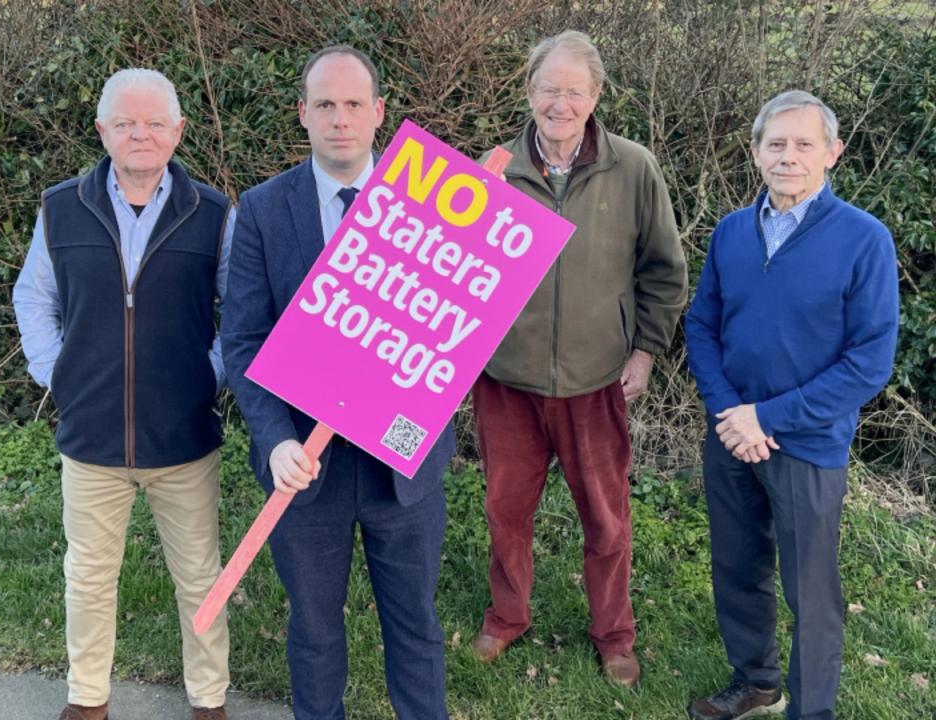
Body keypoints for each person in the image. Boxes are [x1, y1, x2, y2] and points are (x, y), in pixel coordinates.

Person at [221, 45, 454, 720]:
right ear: (303, 114)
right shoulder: (264, 210)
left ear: (379, 113)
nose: (340, 119)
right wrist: (271, 441)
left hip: (400, 469)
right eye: (325, 104)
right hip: (304, 465)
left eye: (354, 104)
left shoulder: (433, 206)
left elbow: (459, 331)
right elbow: (243, 338)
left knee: (414, 626)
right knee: (316, 633)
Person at [12, 68, 234, 720]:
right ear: (103, 129)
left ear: (178, 131)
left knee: (201, 578)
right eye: (126, 121)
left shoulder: (214, 213)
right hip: (92, 437)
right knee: (87, 576)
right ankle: (87, 700)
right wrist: (59, 373)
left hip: (184, 439)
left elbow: (241, 310)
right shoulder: (60, 208)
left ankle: (210, 699)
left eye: (155, 122)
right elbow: (34, 297)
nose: (140, 133)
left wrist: (210, 374)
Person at [468, 30, 688, 686]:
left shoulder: (634, 168)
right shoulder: (494, 167)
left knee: (607, 518)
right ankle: (507, 618)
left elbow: (664, 271)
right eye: (548, 88)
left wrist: (645, 351)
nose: (559, 103)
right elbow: (454, 268)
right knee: (506, 513)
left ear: (594, 96)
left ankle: (614, 634)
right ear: (528, 91)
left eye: (574, 90)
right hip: (507, 380)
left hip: (597, 383)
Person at [685, 90, 899, 720]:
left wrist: (767, 418)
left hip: (806, 444)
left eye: (805, 144)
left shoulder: (864, 239)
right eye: (776, 144)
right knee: (737, 566)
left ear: (832, 152)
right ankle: (756, 682)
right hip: (731, 436)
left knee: (812, 592)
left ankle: (813, 711)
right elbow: (702, 325)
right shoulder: (731, 232)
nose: (789, 157)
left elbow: (869, 362)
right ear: (755, 153)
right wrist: (731, 413)